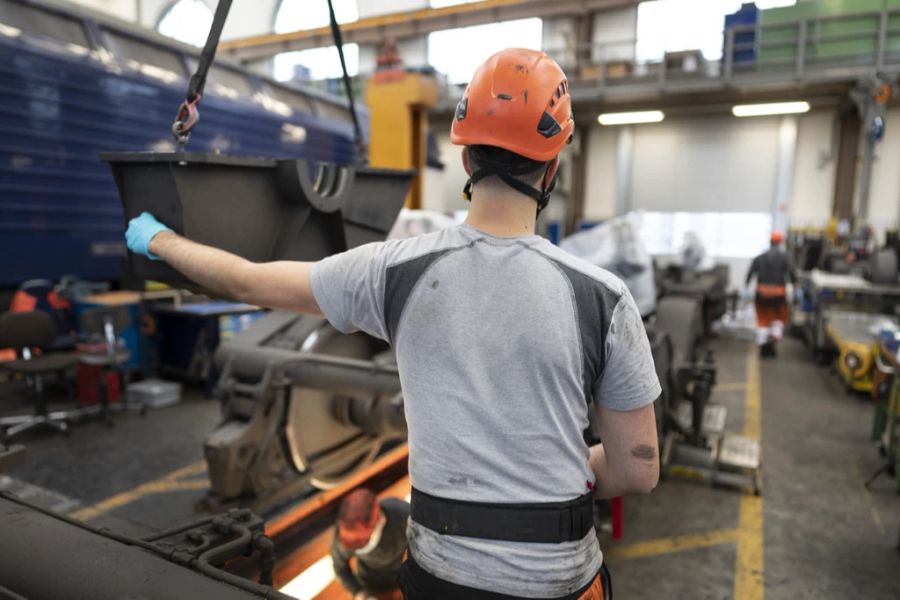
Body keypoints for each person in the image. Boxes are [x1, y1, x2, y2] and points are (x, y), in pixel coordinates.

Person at [125, 47, 660, 599]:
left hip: (442, 578)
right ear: (552, 166)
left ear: (466, 158)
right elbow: (638, 470)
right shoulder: (604, 298)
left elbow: (244, 280)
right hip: (561, 581)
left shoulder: (394, 270)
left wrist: (159, 240)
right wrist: (556, 479)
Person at [332, 489, 409, 600]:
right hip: (370, 585)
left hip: (405, 578)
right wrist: (358, 593)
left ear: (379, 519)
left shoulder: (402, 514)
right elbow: (340, 568)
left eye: (365, 541)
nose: (360, 545)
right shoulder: (345, 535)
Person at [746, 230, 794, 357]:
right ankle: (773, 344)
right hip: (778, 293)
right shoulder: (785, 257)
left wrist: (746, 286)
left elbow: (750, 274)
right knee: (778, 319)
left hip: (761, 293)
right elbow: (791, 273)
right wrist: (795, 285)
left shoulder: (759, 258)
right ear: (780, 242)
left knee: (762, 319)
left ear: (770, 241)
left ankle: (763, 347)